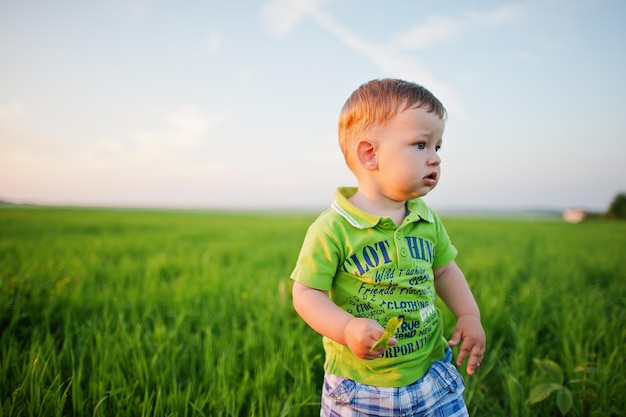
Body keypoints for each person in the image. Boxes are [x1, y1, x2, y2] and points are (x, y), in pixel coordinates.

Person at [290, 78, 486, 416]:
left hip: (431, 374)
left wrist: (469, 314)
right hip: (361, 386)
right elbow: (306, 293)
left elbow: (445, 270)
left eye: (438, 147)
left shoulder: (426, 219)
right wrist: (347, 327)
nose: (435, 159)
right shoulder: (334, 228)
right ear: (370, 154)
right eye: (421, 145)